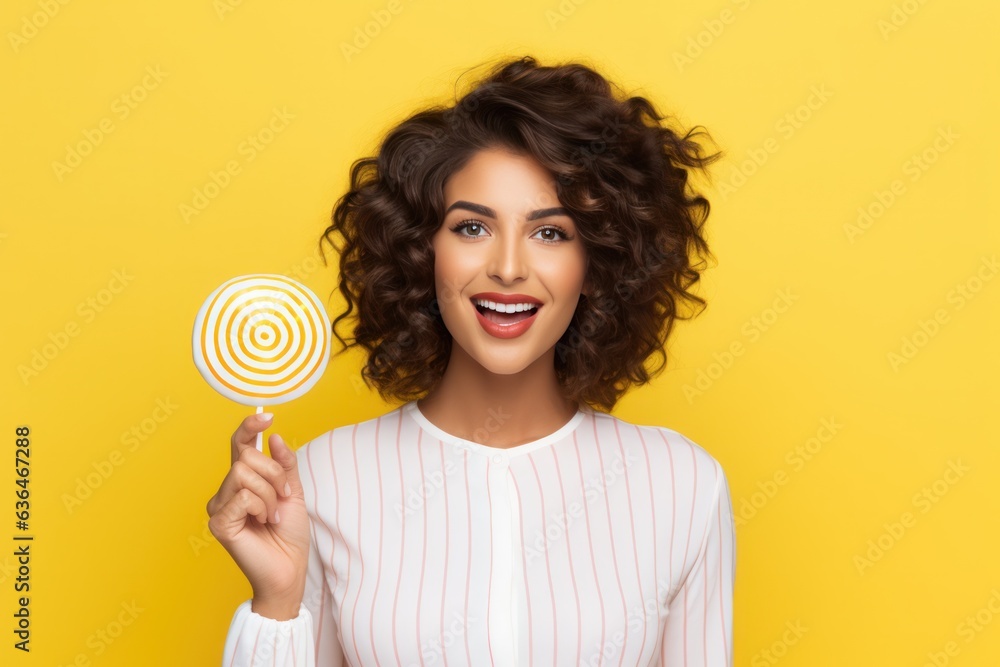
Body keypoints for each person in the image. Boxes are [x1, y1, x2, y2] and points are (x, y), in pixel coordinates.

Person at [207, 55, 735, 666]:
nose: (508, 267)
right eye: (472, 228)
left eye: (550, 233)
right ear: (421, 251)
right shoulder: (321, 481)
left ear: (599, 264)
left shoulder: (683, 485)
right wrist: (277, 601)